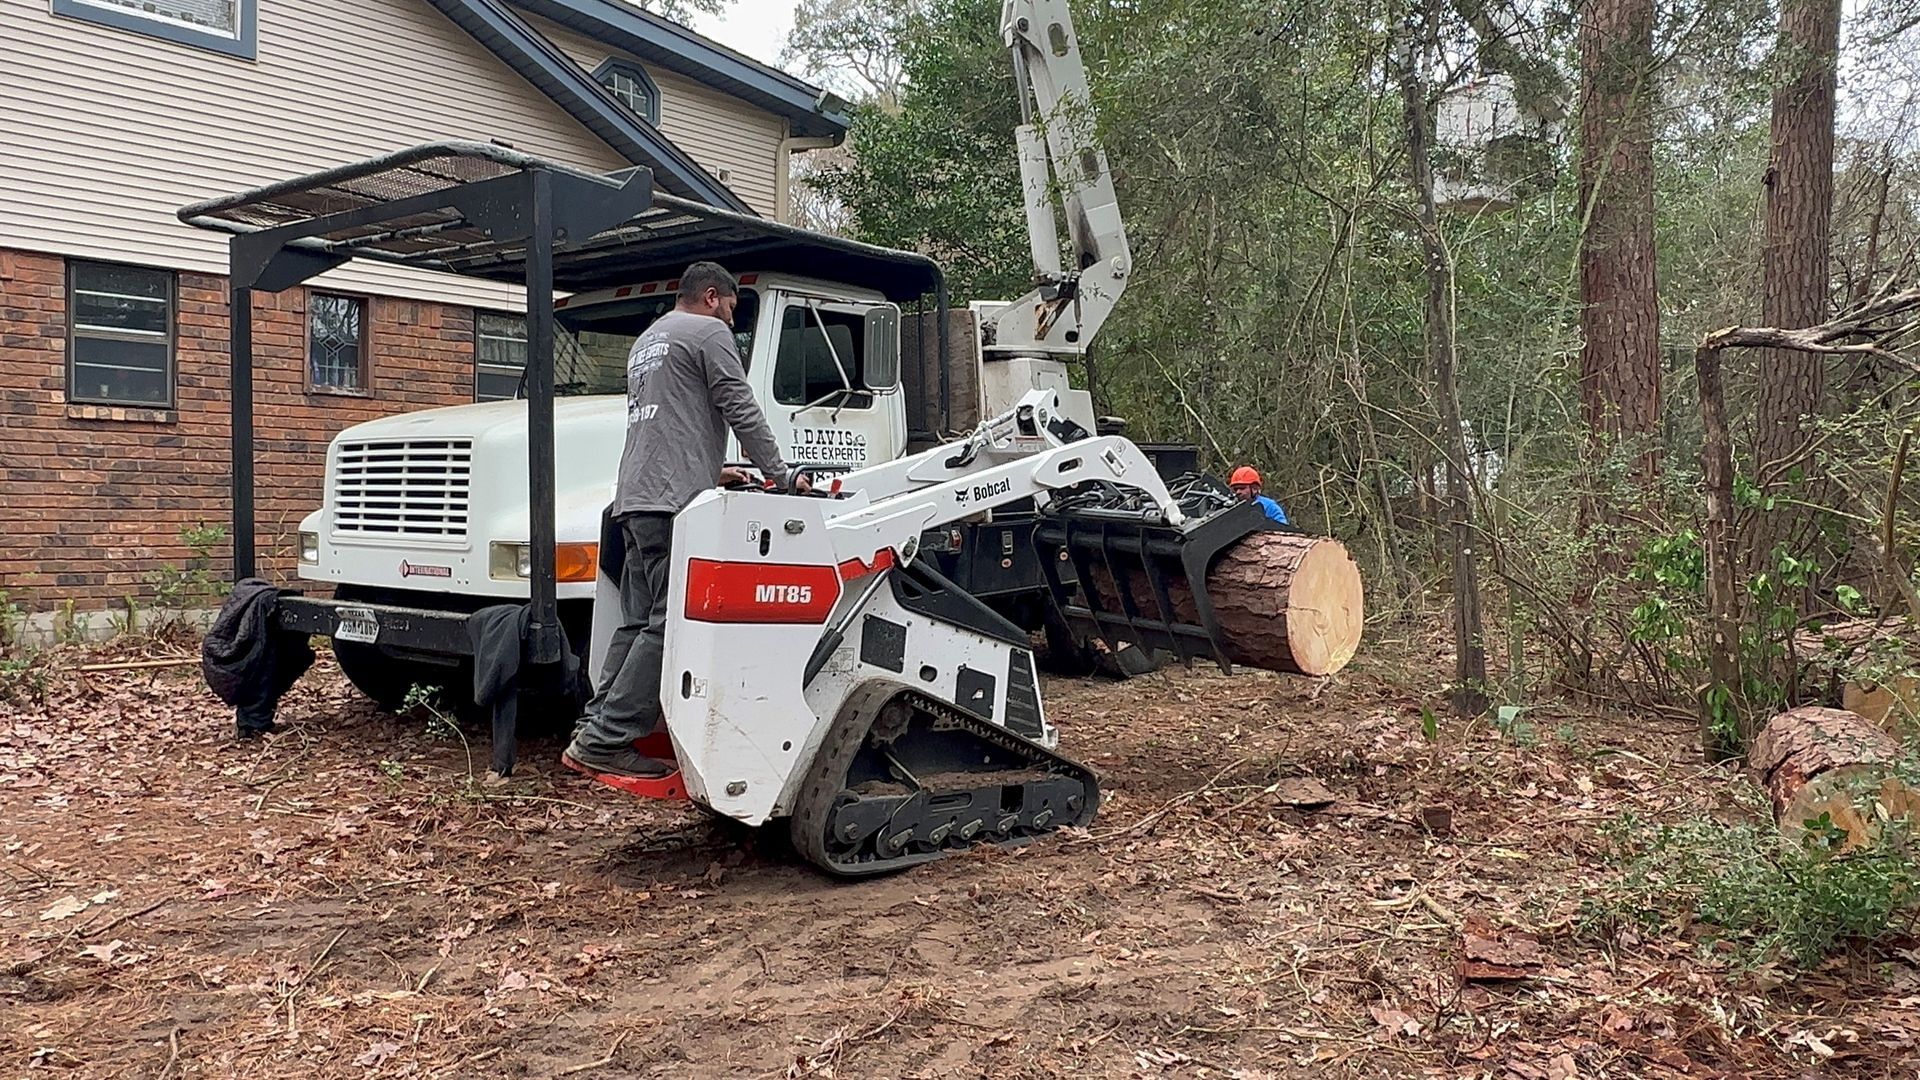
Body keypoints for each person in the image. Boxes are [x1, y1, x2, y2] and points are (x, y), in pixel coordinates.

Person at [563, 262, 810, 780]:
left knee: (634, 622)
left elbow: (667, 426)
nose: (732, 318)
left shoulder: (647, 342)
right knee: (666, 624)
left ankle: (591, 728)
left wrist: (715, 470)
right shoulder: (708, 332)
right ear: (713, 296)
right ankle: (607, 740)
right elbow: (740, 406)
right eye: (732, 307)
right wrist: (782, 476)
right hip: (674, 505)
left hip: (634, 498)